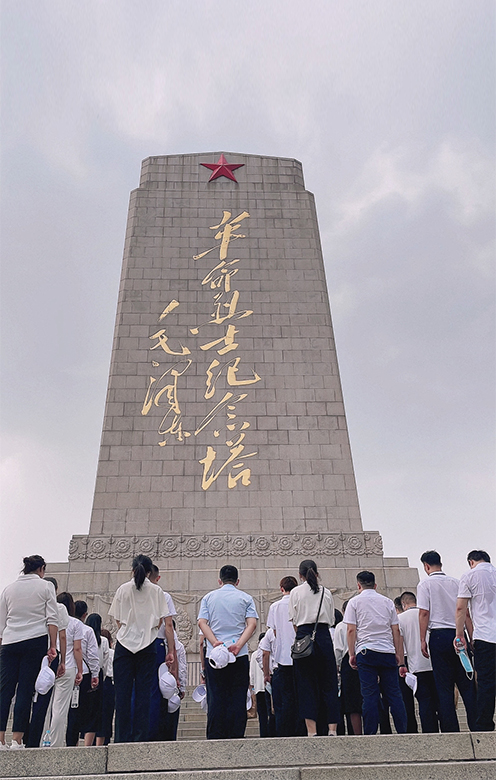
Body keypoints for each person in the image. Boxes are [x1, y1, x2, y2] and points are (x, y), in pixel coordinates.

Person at [109, 554, 171, 743]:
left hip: (124, 646)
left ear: (133, 570)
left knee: (123, 695)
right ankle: (140, 737)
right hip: (147, 645)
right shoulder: (156, 591)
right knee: (144, 694)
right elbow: (161, 620)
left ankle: (121, 737)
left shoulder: (123, 589)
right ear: (150, 571)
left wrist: (129, 633)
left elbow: (117, 619)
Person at [0, 555, 58, 749]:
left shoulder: (9, 589)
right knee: (25, 690)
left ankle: (0, 739)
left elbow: (1, 623)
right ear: (41, 569)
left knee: (4, 691)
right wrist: (52, 646)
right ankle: (17, 739)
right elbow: (52, 619)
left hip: (9, 642)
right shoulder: (45, 586)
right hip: (35, 640)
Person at [417, 550, 477, 732]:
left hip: (438, 636)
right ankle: (477, 725)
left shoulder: (424, 584)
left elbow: (424, 613)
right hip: (459, 635)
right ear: (440, 563)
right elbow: (465, 612)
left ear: (426, 566)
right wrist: (471, 637)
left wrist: (422, 639)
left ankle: (451, 729)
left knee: (444, 687)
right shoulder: (456, 582)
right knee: (467, 683)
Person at [197, 564, 258, 739]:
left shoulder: (209, 598)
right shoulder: (246, 598)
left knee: (216, 696)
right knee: (238, 697)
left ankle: (216, 735)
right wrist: (238, 644)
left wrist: (215, 642)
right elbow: (251, 624)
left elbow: (202, 623)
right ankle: (236, 734)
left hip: (215, 655)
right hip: (238, 654)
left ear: (219, 581)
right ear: (237, 581)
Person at [344, 570, 407, 736]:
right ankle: (403, 730)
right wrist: (397, 653)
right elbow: (396, 629)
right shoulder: (387, 602)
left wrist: (352, 653)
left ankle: (370, 733)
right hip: (387, 650)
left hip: (366, 651)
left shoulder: (354, 602)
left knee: (369, 695)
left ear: (358, 585)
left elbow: (351, 630)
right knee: (394, 694)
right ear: (375, 584)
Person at [288, 559, 340, 737]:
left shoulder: (295, 592)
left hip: (303, 636)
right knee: (329, 683)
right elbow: (332, 620)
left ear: (300, 574)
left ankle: (312, 731)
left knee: (306, 686)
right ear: (317, 573)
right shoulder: (326, 592)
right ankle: (332, 729)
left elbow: (294, 621)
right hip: (324, 636)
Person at [455, 550, 496, 731]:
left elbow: (460, 608)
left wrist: (460, 635)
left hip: (485, 636)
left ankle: (485, 724)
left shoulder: (469, 576)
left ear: (471, 561)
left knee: (486, 682)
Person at [26, 577, 69, 748]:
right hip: (50, 656)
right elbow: (62, 636)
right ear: (55, 590)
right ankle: (33, 739)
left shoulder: (32, 604)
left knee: (26, 696)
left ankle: (19, 737)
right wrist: (63, 660)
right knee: (43, 700)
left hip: (29, 652)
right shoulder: (59, 608)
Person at [43, 592, 84, 747]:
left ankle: (42, 740)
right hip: (67, 666)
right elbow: (77, 649)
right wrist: (80, 670)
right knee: (60, 708)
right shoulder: (76, 624)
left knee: (45, 707)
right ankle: (56, 742)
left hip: (49, 663)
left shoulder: (48, 616)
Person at [398, 591, 440, 732]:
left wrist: (402, 664)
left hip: (416, 665)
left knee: (424, 702)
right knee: (438, 700)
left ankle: (429, 731)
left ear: (403, 604)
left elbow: (401, 647)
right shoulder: (427, 613)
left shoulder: (400, 619)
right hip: (434, 663)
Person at [266, 576, 301, 737]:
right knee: (299, 698)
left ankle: (283, 733)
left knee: (282, 702)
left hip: (282, 659)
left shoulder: (275, 606)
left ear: (281, 589)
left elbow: (273, 631)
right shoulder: (299, 602)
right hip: (301, 657)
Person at [147, 564, 177, 740]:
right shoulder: (162, 595)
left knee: (136, 689)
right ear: (157, 578)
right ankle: (152, 734)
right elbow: (168, 625)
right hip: (155, 643)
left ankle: (135, 733)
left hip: (133, 644)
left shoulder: (128, 591)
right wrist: (171, 650)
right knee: (154, 691)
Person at [65, 601, 100, 746]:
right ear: (85, 614)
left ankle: (69, 741)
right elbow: (92, 655)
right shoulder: (87, 630)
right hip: (83, 674)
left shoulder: (63, 627)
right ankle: (78, 742)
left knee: (67, 710)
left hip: (65, 670)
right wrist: (95, 674)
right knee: (81, 710)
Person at [333, 599, 362, 735]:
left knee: (352, 702)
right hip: (364, 658)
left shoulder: (341, 626)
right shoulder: (363, 621)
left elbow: (337, 650)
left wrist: (337, 666)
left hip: (347, 663)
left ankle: (356, 733)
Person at [81, 614, 109, 746]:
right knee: (96, 711)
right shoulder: (103, 641)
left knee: (83, 708)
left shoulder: (82, 635)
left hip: (84, 673)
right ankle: (90, 744)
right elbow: (105, 661)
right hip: (98, 674)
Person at [96, 629, 115, 746]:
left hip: (97, 680)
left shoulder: (95, 649)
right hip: (109, 682)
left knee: (96, 713)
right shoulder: (112, 652)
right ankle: (103, 741)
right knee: (106, 715)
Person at [250, 632, 270, 737]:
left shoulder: (254, 655)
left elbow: (251, 673)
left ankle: (263, 733)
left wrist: (252, 685)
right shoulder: (268, 653)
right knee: (270, 711)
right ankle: (271, 732)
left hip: (258, 688)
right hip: (267, 686)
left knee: (262, 713)